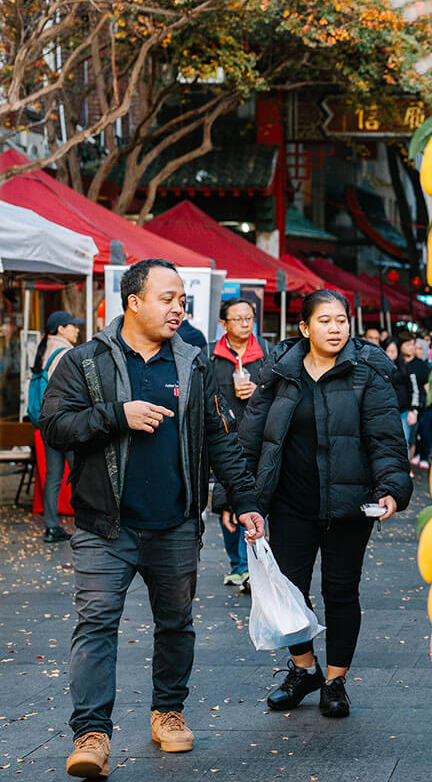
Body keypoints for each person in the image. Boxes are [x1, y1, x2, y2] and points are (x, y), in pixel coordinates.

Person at [40, 259, 264, 778]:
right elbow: (54, 426)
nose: (178, 307)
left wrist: (246, 500)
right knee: (96, 625)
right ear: (134, 302)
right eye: (167, 297)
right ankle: (91, 733)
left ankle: (168, 712)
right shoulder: (85, 360)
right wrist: (119, 415)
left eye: (182, 297)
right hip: (104, 526)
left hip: (176, 523)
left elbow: (217, 437)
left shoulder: (193, 361)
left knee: (176, 624)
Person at [238, 290, 412, 718]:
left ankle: (335, 680)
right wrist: (239, 497)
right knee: (290, 591)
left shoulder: (367, 374)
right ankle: (304, 669)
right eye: (325, 321)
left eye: (341, 321)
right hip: (290, 504)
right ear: (304, 328)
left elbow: (385, 439)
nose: (335, 329)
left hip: (350, 504)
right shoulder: (279, 374)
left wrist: (390, 488)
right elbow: (251, 437)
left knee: (340, 590)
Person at [209, 299, 275, 591]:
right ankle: (237, 565)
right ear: (224, 324)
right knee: (228, 499)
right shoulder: (210, 356)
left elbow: (278, 391)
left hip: (259, 436)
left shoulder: (267, 353)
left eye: (249, 318)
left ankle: (254, 563)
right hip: (225, 436)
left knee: (256, 497)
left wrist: (258, 390)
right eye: (238, 319)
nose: (246, 324)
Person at [31, 310, 85, 542]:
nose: (77, 329)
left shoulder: (44, 351)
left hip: (47, 424)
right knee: (80, 473)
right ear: (61, 329)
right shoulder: (66, 353)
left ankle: (52, 527)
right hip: (66, 423)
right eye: (73, 325)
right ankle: (85, 524)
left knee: (53, 477)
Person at [398, 330, 432, 469]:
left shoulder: (420, 365)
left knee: (414, 436)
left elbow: (426, 386)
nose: (411, 348)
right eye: (408, 345)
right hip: (400, 405)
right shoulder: (396, 362)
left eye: (413, 345)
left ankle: (413, 461)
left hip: (418, 405)